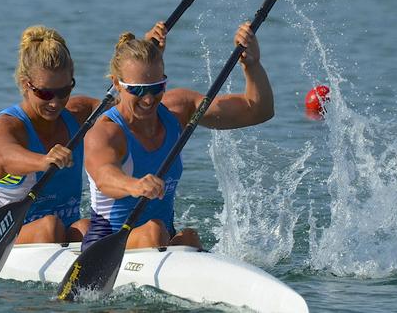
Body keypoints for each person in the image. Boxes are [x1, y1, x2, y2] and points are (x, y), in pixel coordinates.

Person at [82, 21, 274, 251]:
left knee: (189, 237)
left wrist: (252, 66)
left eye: (156, 87)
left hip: (162, 236)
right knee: (154, 230)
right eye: (138, 90)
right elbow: (105, 177)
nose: (148, 99)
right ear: (117, 84)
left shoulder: (178, 110)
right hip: (107, 244)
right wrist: (134, 185)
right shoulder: (105, 131)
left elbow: (258, 111)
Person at [0, 25, 99, 244]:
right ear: (27, 84)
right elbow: (4, 156)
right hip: (4, 236)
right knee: (49, 226)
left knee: (89, 226)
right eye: (45, 93)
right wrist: (43, 160)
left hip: (64, 233)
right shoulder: (5, 127)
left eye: (64, 91)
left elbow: (127, 111)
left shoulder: (79, 114)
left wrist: (136, 65)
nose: (55, 103)